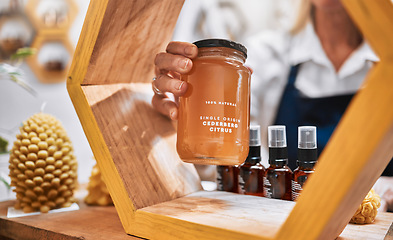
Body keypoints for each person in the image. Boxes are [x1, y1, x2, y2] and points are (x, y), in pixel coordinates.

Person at [151, 0, 393, 211]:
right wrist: (187, 119)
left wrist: (380, 189)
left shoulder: (388, 64)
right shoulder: (264, 56)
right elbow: (226, 163)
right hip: (281, 220)